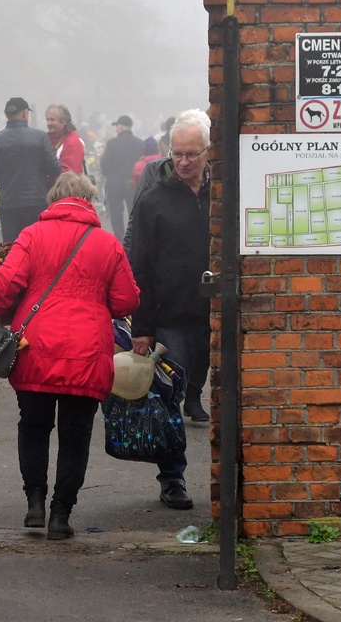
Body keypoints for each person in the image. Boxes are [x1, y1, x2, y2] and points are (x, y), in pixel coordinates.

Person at [0, 172, 139, 539]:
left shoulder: (33, 235)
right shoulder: (107, 243)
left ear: (53, 201)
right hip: (87, 352)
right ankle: (60, 514)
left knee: (33, 425)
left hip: (35, 348)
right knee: (76, 434)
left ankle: (34, 500)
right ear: (89, 201)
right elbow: (127, 300)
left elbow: (6, 284)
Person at [127, 108, 212, 510]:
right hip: (171, 317)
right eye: (177, 153)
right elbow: (139, 266)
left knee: (220, 393)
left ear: (208, 152)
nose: (182, 161)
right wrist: (142, 327)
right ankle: (172, 477)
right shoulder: (154, 202)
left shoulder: (223, 196)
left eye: (191, 154)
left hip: (216, 312)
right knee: (169, 400)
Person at [0, 96, 61, 242]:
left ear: (7, 115)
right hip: (36, 202)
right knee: (36, 246)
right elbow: (55, 168)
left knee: (12, 248)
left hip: (8, 204)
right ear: (25, 113)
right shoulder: (39, 137)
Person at [98, 114, 145, 240]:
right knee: (133, 213)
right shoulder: (140, 143)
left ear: (121, 126)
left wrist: (107, 174)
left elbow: (104, 163)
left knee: (116, 214)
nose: (116, 129)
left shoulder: (112, 143)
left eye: (117, 126)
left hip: (115, 184)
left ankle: (119, 239)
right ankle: (133, 238)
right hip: (133, 184)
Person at [45, 103, 85, 174]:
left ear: (63, 121)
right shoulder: (46, 139)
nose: (48, 123)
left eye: (52, 120)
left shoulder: (73, 142)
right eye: (47, 120)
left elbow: (69, 175)